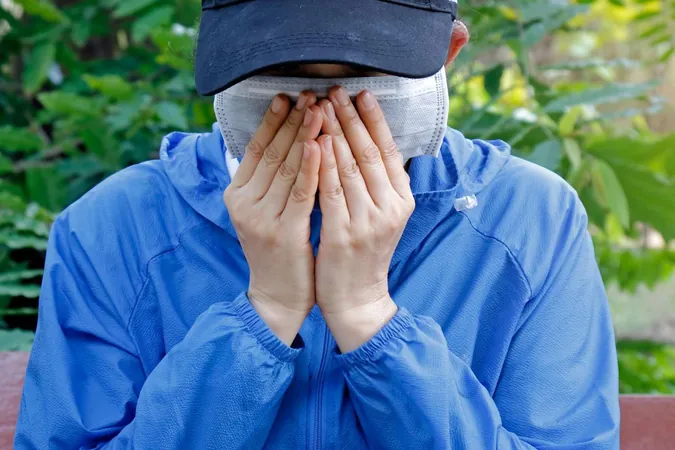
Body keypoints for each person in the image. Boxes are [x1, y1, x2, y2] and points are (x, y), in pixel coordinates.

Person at [15, 1, 620, 449]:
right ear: (217, 58)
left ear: (448, 53)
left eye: (363, 73)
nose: (323, 111)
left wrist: (369, 317)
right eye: (282, 71)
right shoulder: (111, 228)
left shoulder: (531, 219)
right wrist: (264, 314)